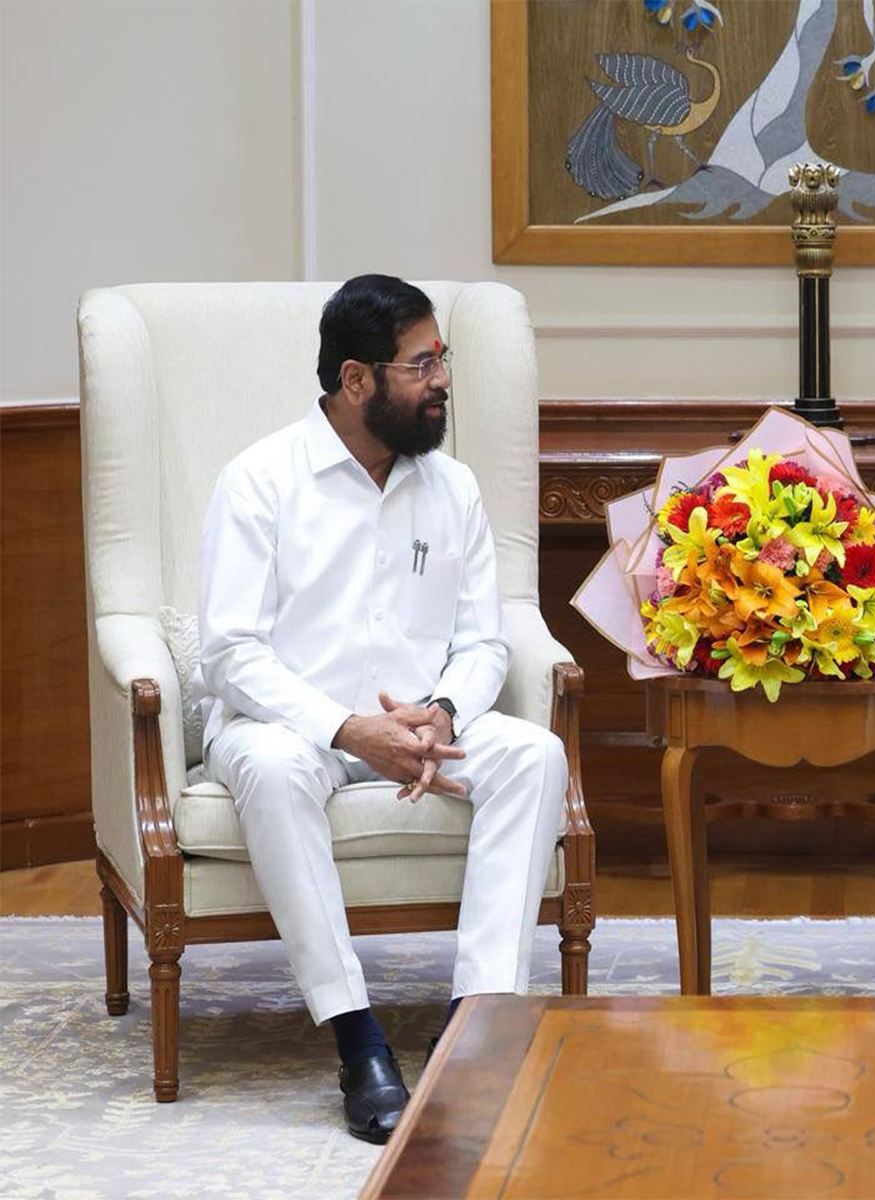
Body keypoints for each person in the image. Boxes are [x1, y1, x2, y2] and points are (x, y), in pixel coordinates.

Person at [196, 274, 568, 1143]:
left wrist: (444, 713)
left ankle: (476, 1024)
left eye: (444, 359)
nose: (443, 380)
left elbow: (484, 642)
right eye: (421, 364)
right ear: (356, 379)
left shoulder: (454, 487)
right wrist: (347, 728)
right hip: (290, 729)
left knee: (534, 754)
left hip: (422, 731)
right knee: (274, 768)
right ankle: (357, 1038)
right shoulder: (259, 480)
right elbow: (230, 652)